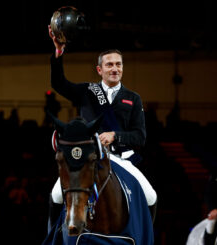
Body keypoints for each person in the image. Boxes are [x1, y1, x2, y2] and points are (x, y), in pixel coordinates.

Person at [47, 25, 157, 226]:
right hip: (89, 159)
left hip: (121, 159)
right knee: (56, 195)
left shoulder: (133, 98)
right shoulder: (87, 91)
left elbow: (140, 137)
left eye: (118, 64)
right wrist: (58, 52)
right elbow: (58, 83)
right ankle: (53, 236)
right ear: (100, 69)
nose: (115, 69)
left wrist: (115, 135)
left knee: (151, 196)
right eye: (109, 65)